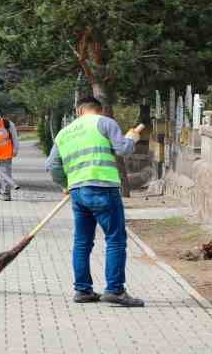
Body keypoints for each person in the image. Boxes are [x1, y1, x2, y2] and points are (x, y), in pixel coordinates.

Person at [45, 96, 144, 307]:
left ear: (79, 110)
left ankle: (83, 290)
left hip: (78, 192)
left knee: (82, 242)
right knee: (115, 240)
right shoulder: (105, 122)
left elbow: (52, 165)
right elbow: (122, 149)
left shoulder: (64, 132)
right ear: (98, 110)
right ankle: (115, 290)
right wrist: (132, 138)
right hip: (103, 189)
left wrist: (65, 184)